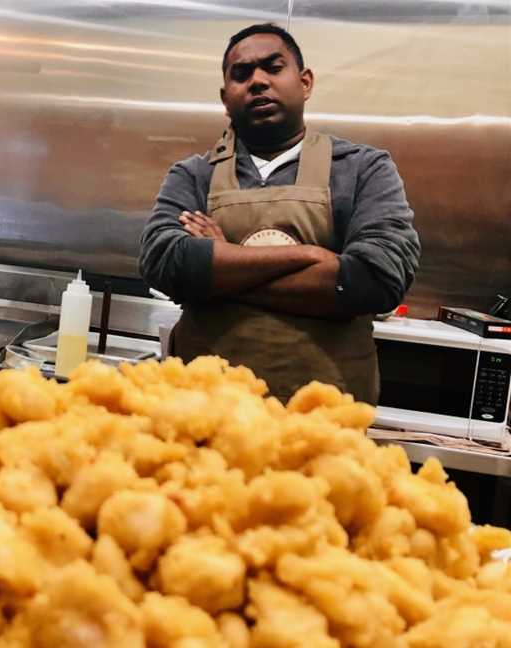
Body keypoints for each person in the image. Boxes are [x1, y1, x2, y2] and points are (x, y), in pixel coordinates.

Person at [139, 23, 420, 405]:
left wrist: (222, 265)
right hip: (204, 415)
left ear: (305, 82)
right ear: (226, 98)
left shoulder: (362, 169)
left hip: (325, 423)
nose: (257, 81)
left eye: (273, 68)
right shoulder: (193, 174)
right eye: (242, 74)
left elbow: (376, 278)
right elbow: (166, 262)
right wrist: (311, 257)